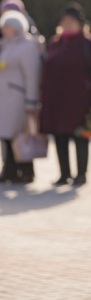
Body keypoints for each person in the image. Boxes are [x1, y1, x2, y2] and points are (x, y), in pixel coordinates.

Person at [39, 2, 91, 186]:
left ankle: (81, 175)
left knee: (81, 136)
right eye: (65, 21)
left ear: (80, 24)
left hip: (79, 100)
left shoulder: (88, 43)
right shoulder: (55, 42)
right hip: (57, 99)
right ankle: (64, 174)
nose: (67, 25)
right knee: (59, 136)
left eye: (71, 22)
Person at [0, 11, 42, 184]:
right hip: (5, 100)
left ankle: (26, 172)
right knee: (7, 137)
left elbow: (32, 76)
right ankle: (9, 170)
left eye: (7, 27)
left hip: (19, 100)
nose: (4, 30)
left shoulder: (27, 46)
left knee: (21, 135)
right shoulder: (6, 45)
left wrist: (31, 102)